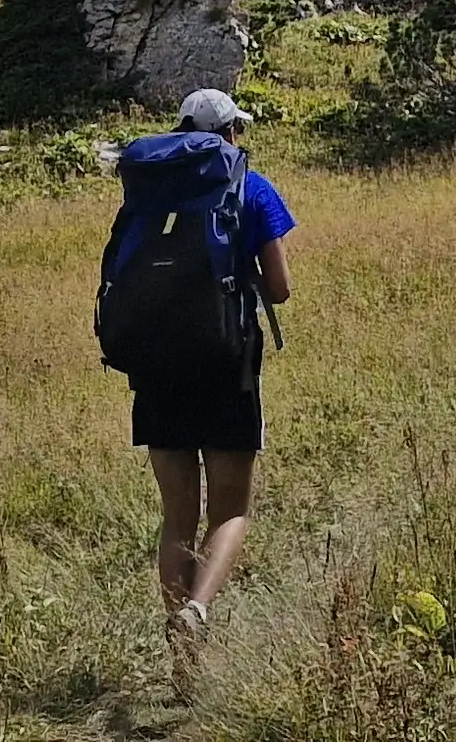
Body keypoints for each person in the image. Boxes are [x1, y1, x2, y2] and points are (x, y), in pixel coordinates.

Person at [121, 85, 293, 697]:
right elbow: (279, 287)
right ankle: (198, 612)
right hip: (226, 368)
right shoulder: (252, 186)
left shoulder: (147, 191)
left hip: (157, 372)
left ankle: (183, 668)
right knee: (233, 511)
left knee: (176, 520)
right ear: (230, 134)